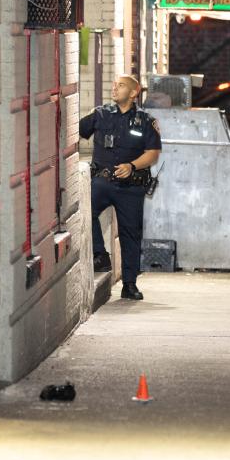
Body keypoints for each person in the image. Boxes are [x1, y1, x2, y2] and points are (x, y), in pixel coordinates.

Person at [79, 74, 162, 300]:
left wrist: (132, 166)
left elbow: (153, 154)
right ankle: (100, 254)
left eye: (121, 85)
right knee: (86, 210)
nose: (115, 88)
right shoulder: (100, 115)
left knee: (130, 235)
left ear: (134, 93)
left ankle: (129, 284)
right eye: (114, 84)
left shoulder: (146, 121)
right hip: (103, 182)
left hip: (131, 188)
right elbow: (74, 131)